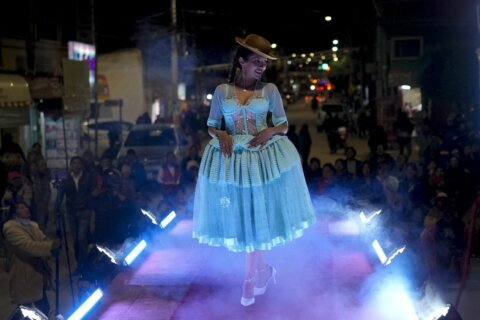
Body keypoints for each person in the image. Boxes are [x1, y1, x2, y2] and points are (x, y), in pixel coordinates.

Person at [192, 33, 316, 307]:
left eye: (265, 62)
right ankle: (262, 270)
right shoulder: (222, 92)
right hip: (233, 161)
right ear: (242, 61)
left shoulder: (269, 90)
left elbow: (284, 125)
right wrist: (220, 134)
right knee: (246, 218)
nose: (262, 66)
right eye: (257, 61)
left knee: (256, 217)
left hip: (262, 159)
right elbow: (211, 125)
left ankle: (248, 280)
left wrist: (270, 130)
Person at [1, 201, 61, 317]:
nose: (26, 209)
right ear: (14, 213)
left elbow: (43, 239)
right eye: (21, 208)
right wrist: (50, 246)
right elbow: (28, 246)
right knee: (26, 310)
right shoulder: (10, 228)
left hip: (37, 273)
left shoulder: (32, 225)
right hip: (22, 273)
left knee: (43, 307)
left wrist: (51, 243)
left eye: (26, 207)